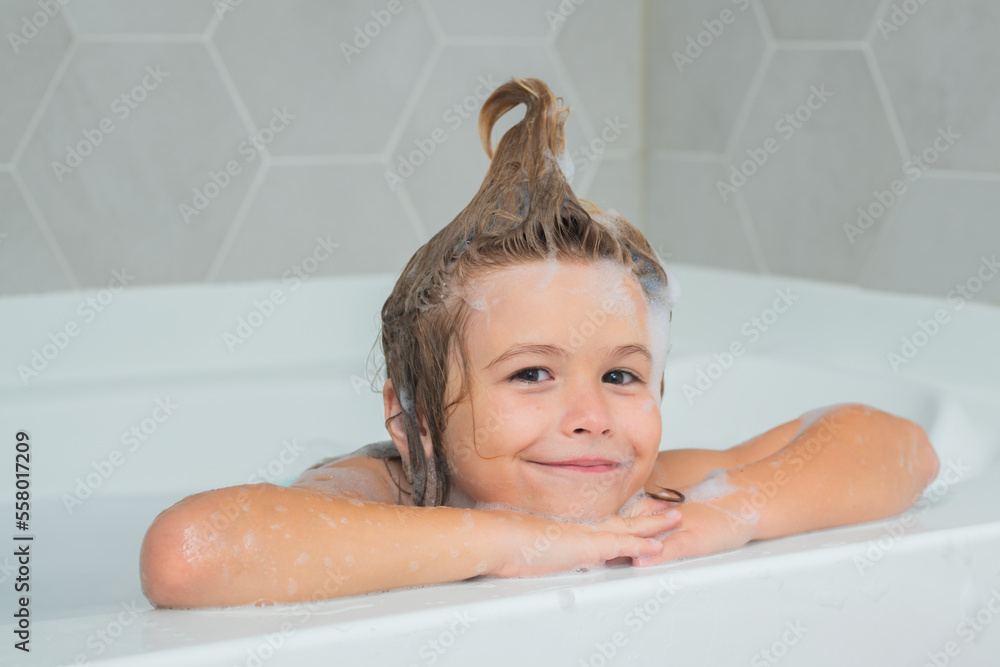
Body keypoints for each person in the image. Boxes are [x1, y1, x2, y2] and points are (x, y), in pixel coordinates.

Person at [139, 77, 939, 609]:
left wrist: (737, 512)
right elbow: (189, 550)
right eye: (531, 372)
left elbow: (900, 447)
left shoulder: (639, 490)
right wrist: (513, 542)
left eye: (623, 374)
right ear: (413, 418)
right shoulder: (391, 491)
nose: (591, 414)